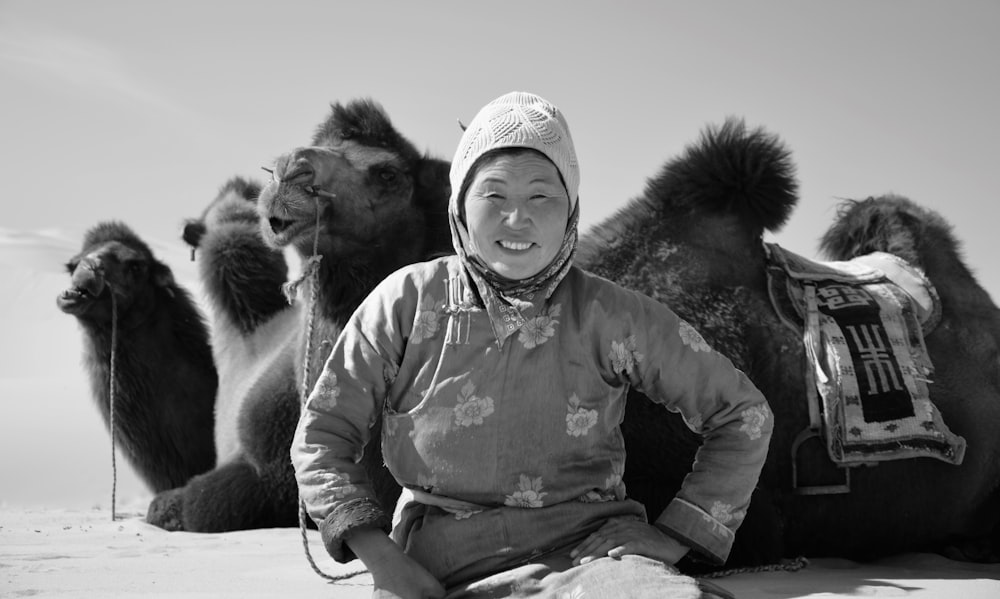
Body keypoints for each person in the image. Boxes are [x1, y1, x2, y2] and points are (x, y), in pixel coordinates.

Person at [291, 91, 772, 599]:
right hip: (435, 568)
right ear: (460, 203)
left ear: (570, 209)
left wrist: (677, 535)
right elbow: (322, 434)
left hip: (594, 560)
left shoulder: (611, 314)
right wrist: (383, 559)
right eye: (494, 195)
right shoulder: (405, 302)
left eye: (541, 196)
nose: (517, 218)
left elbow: (743, 414)